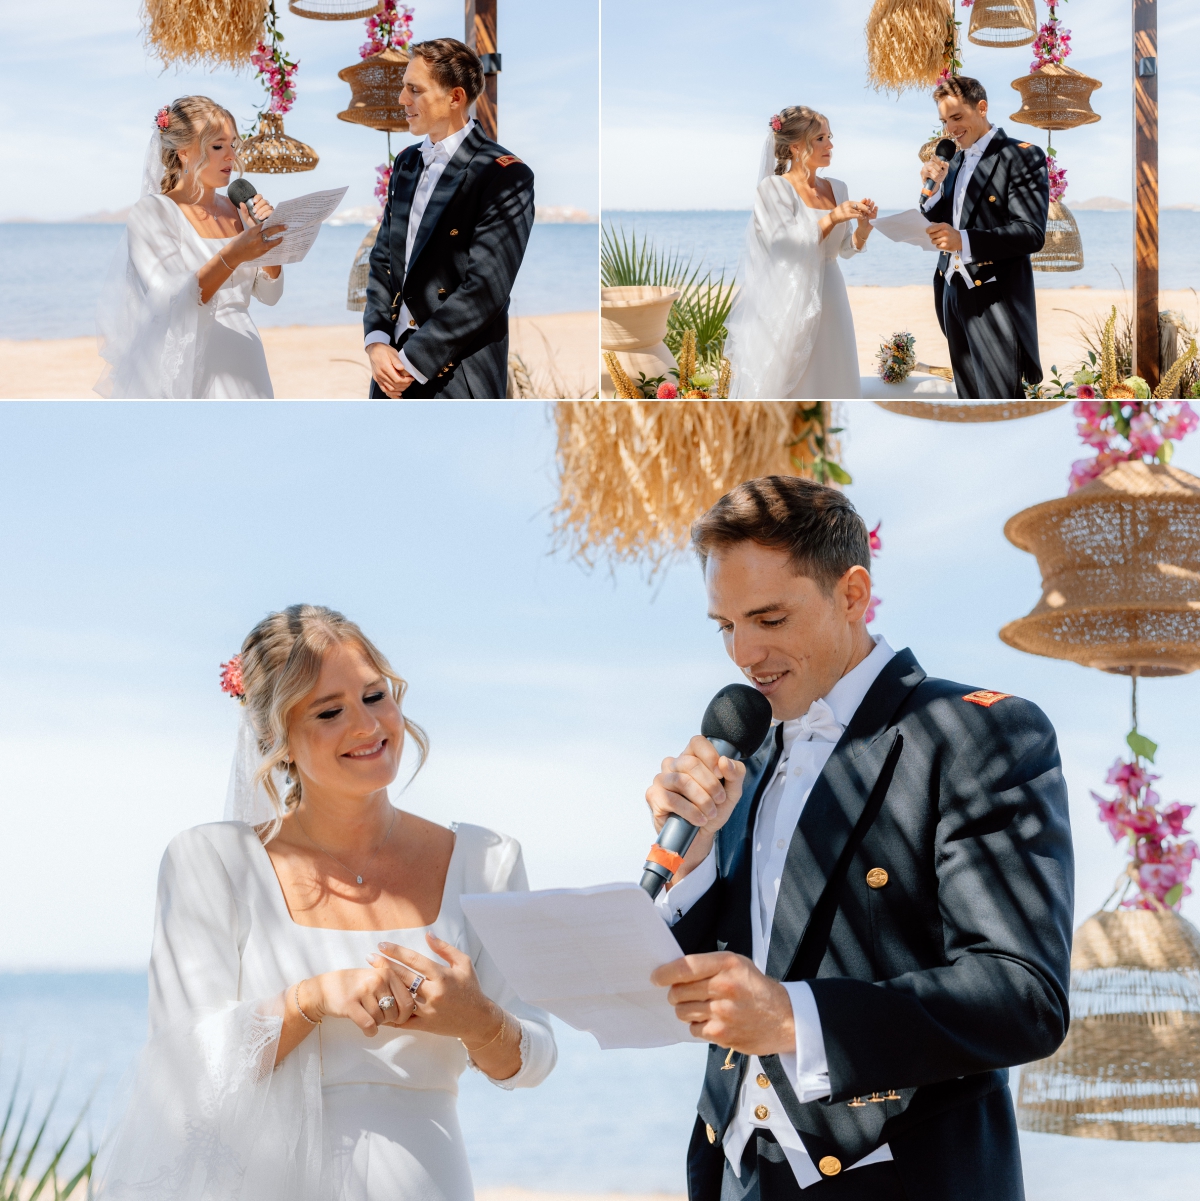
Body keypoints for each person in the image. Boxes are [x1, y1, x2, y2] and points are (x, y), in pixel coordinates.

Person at [643, 477, 1073, 1201]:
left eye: (769, 617)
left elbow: (1023, 995)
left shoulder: (979, 731)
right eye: (725, 625)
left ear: (852, 593)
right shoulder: (743, 756)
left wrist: (792, 1017)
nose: (744, 654)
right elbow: (723, 982)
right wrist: (692, 864)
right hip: (735, 1177)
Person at [93, 604, 556, 1201]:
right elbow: (186, 1076)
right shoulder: (209, 864)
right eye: (330, 711)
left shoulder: (487, 861)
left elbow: (536, 1058)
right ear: (276, 740)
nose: (367, 726)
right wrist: (309, 1001)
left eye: (374, 695)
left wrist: (479, 1021)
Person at [363, 38, 535, 399]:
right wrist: (377, 340)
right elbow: (383, 259)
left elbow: (486, 289)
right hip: (389, 369)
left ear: (455, 98)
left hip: (457, 375)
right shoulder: (406, 163)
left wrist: (412, 361)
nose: (402, 99)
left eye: (415, 90)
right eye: (403, 87)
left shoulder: (505, 175)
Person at [95, 96, 288, 399]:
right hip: (192, 371)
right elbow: (168, 297)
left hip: (248, 369)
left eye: (233, 145)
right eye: (217, 146)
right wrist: (234, 253)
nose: (230, 156)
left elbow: (271, 295)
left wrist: (266, 240)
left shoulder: (239, 211)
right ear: (184, 152)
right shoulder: (153, 212)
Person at [724, 108, 878, 399]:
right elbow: (784, 246)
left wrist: (863, 228)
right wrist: (832, 217)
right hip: (790, 299)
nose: (830, 145)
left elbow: (844, 250)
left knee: (835, 376)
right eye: (820, 138)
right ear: (795, 146)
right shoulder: (773, 189)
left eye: (829, 136)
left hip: (832, 293)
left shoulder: (839, 188)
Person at [920, 76, 1050, 399]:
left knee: (999, 405)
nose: (950, 129)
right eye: (944, 121)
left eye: (957, 117)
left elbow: (1031, 234)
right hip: (952, 294)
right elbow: (945, 221)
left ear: (982, 108)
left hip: (993, 298)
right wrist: (931, 189)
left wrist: (963, 240)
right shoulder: (954, 161)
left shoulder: (1022, 155)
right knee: (968, 403)